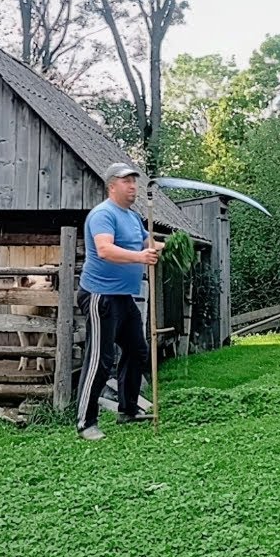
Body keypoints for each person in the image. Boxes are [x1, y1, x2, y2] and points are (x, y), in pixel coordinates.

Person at [74, 162, 159, 440]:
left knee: (137, 350)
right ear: (112, 186)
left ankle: (128, 409)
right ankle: (86, 422)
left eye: (134, 181)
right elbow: (105, 249)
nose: (133, 186)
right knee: (101, 358)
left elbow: (149, 244)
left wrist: (168, 246)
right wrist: (140, 257)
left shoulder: (133, 217)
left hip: (123, 296)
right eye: (127, 181)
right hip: (101, 295)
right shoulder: (103, 215)